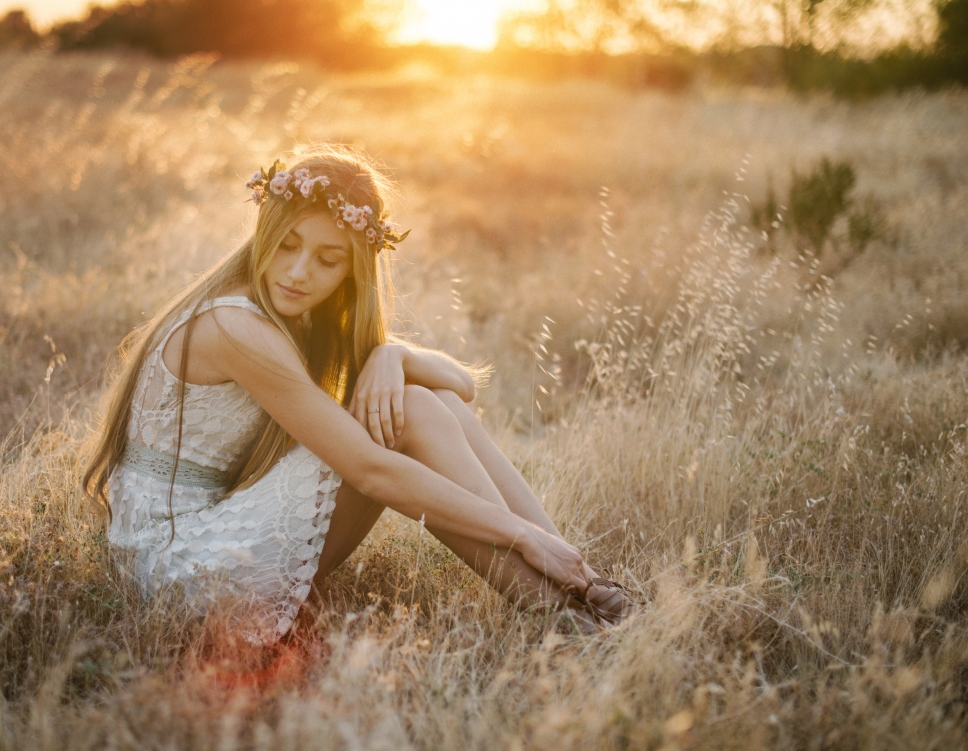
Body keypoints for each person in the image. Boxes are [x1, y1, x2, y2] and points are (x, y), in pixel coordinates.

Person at [81, 146, 633, 644]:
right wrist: (520, 535)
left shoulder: (299, 314)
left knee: (426, 401)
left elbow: (461, 386)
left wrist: (391, 355)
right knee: (411, 412)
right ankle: (564, 613)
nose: (299, 272)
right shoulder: (236, 326)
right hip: (179, 566)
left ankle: (581, 582)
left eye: (328, 259)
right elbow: (370, 472)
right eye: (288, 245)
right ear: (265, 233)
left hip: (212, 531)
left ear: (353, 269)